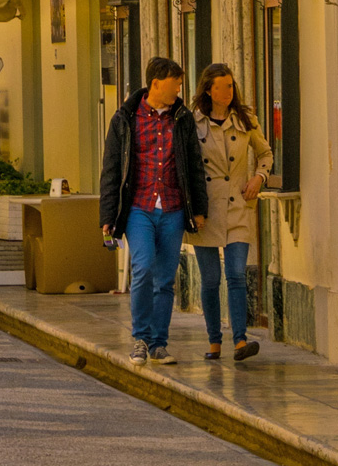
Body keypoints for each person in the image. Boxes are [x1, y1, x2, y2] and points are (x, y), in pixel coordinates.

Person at [100, 56, 208, 366]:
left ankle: (159, 343)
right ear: (156, 84)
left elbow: (194, 166)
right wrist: (107, 216)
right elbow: (111, 169)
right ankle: (140, 339)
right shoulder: (125, 119)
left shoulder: (182, 119)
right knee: (143, 267)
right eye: (175, 84)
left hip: (173, 208)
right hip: (139, 208)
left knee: (165, 279)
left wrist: (198, 209)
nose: (179, 90)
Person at [189, 62, 273, 362]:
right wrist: (191, 208)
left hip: (238, 204)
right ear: (209, 90)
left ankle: (240, 340)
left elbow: (265, 153)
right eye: (222, 86)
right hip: (205, 211)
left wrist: (259, 177)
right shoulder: (193, 121)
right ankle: (214, 341)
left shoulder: (246, 118)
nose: (228, 91)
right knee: (210, 279)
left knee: (236, 273)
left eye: (231, 85)